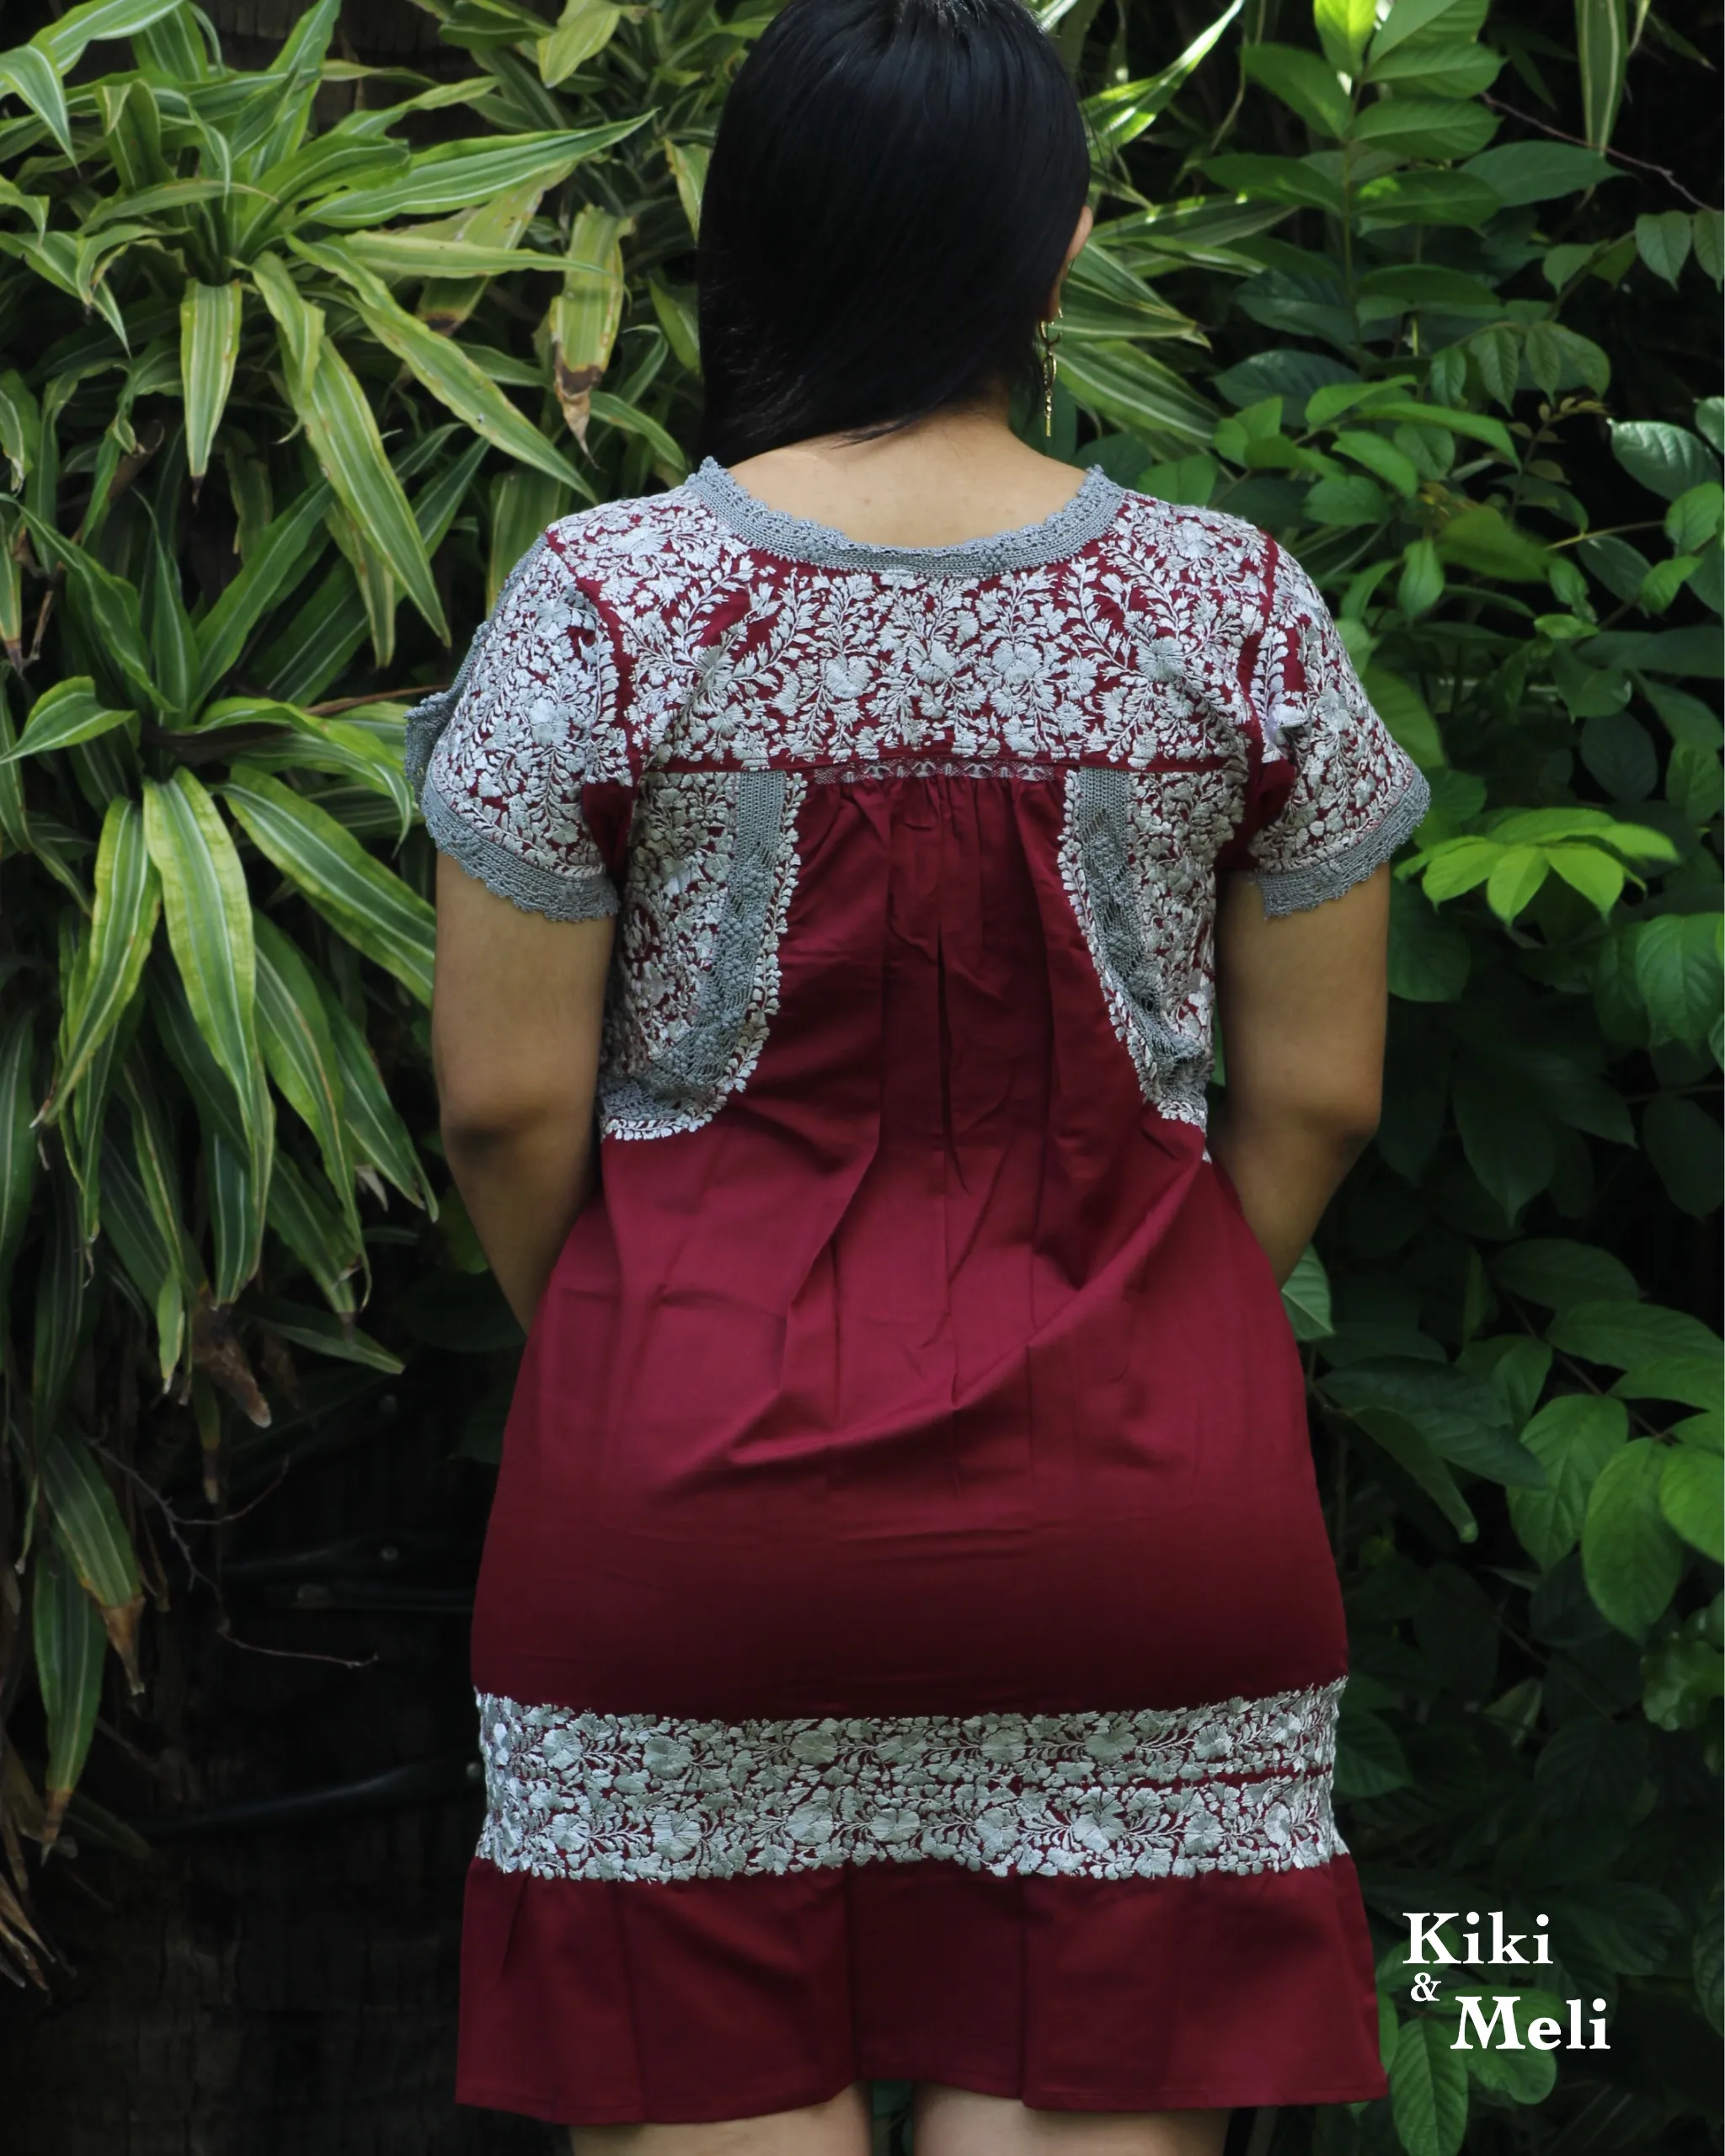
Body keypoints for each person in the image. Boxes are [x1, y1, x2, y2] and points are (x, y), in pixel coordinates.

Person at [412, 0, 1427, 2146]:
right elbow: (1322, 1094)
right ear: (1054, 256)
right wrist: (1140, 1317)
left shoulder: (603, 605)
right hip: (1140, 1508)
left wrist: (645, 1341)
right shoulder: (1233, 608)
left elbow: (501, 1104)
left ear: (748, 239)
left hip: (686, 1507)